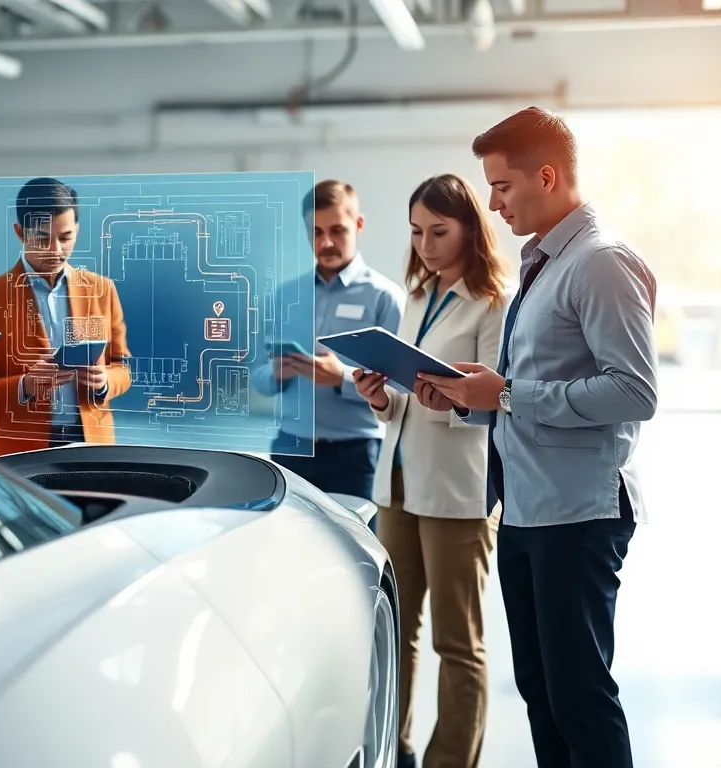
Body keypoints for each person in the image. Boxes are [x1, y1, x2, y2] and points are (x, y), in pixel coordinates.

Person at [416, 107, 657, 768]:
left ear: (546, 177)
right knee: (542, 694)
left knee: (579, 698)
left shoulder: (601, 262)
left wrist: (507, 395)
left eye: (502, 187)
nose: (493, 205)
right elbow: (531, 384)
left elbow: (634, 391)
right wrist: (472, 397)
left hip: (577, 513)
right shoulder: (544, 263)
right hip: (525, 509)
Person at [351, 174, 511, 768]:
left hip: (456, 491)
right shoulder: (415, 295)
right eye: (417, 232)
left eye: (438, 232)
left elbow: (494, 403)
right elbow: (404, 398)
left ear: (470, 229)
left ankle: (451, 761)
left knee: (456, 641)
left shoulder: (494, 303)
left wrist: (446, 400)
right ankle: (395, 747)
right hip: (396, 483)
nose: (425, 244)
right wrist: (378, 397)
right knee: (397, 630)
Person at [256, 179, 404, 516]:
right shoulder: (284, 296)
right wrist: (275, 374)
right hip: (289, 449)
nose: (325, 242)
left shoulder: (385, 297)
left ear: (359, 224)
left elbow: (400, 387)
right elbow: (257, 376)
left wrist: (342, 378)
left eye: (337, 230)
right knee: (286, 541)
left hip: (356, 455)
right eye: (316, 232)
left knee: (355, 545)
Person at [0, 177, 131, 457]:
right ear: (20, 233)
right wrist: (24, 386)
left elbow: (123, 367)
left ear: (77, 230)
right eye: (43, 238)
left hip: (93, 444)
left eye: (66, 237)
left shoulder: (102, 290)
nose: (56, 250)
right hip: (19, 452)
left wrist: (105, 381)